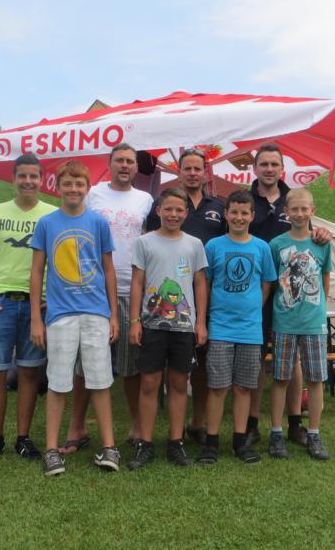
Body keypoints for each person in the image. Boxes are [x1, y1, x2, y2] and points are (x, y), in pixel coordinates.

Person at [29, 159, 121, 476]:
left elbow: (108, 269)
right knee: (58, 382)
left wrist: (113, 314)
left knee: (100, 380)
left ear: (87, 188)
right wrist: (36, 318)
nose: (73, 189)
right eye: (67, 183)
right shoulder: (46, 224)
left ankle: (109, 447)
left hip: (96, 312)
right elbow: (36, 271)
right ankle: (51, 450)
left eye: (79, 184)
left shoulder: (98, 223)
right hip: (60, 314)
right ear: (57, 187)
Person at [61, 143, 154, 452]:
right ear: (109, 163)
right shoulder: (93, 194)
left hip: (132, 287)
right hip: (92, 290)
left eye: (130, 161)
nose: (125, 165)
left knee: (131, 365)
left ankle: (136, 425)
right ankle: (77, 427)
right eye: (119, 161)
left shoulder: (145, 200)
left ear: (136, 167)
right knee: (85, 365)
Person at [0, 153, 56, 463]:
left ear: (42, 180)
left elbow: (61, 262)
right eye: (23, 176)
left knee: (30, 373)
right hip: (1, 303)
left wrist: (53, 298)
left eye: (34, 176)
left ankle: (23, 438)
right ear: (14, 178)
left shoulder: (52, 215)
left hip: (37, 304)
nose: (28, 181)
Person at [247, 144, 332, 448]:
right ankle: (253, 424)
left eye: (274, 164)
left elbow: (314, 243)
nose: (269, 169)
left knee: (292, 363)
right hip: (256, 290)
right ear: (255, 168)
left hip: (296, 299)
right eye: (264, 164)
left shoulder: (293, 198)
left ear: (282, 169)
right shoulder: (246, 200)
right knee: (256, 359)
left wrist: (322, 233)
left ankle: (295, 423)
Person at [146, 148, 225, 445]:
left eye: (197, 168)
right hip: (168, 297)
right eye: (187, 168)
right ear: (178, 172)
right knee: (165, 365)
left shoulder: (219, 207)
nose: (192, 173)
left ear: (205, 173)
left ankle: (197, 422)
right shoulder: (166, 204)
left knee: (202, 361)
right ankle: (161, 428)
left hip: (206, 291)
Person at [128, 187, 208, 470]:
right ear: (158, 211)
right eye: (168, 209)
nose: (173, 214)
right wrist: (135, 321)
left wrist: (200, 321)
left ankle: (176, 442)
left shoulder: (194, 245)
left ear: (186, 213)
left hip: (183, 327)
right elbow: (137, 282)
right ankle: (145, 443)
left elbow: (200, 283)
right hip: (151, 325)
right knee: (149, 383)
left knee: (178, 383)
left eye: (179, 210)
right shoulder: (144, 242)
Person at [196, 190, 277, 465]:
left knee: (244, 387)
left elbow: (266, 284)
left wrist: (253, 308)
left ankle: (240, 441)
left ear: (252, 216)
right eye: (234, 212)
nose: (239, 217)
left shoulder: (262, 248)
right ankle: (211, 442)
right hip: (220, 327)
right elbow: (206, 284)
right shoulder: (214, 246)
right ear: (226, 214)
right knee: (217, 387)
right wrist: (205, 319)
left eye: (244, 213)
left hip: (250, 330)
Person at [269, 188, 332, 460]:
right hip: (284, 321)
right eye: (294, 209)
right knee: (281, 377)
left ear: (312, 211)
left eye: (304, 209)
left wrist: (319, 310)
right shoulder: (276, 244)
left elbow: (325, 279)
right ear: (286, 212)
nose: (299, 213)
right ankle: (276, 433)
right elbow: (273, 282)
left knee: (316, 379)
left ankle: (314, 433)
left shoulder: (322, 243)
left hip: (313, 323)